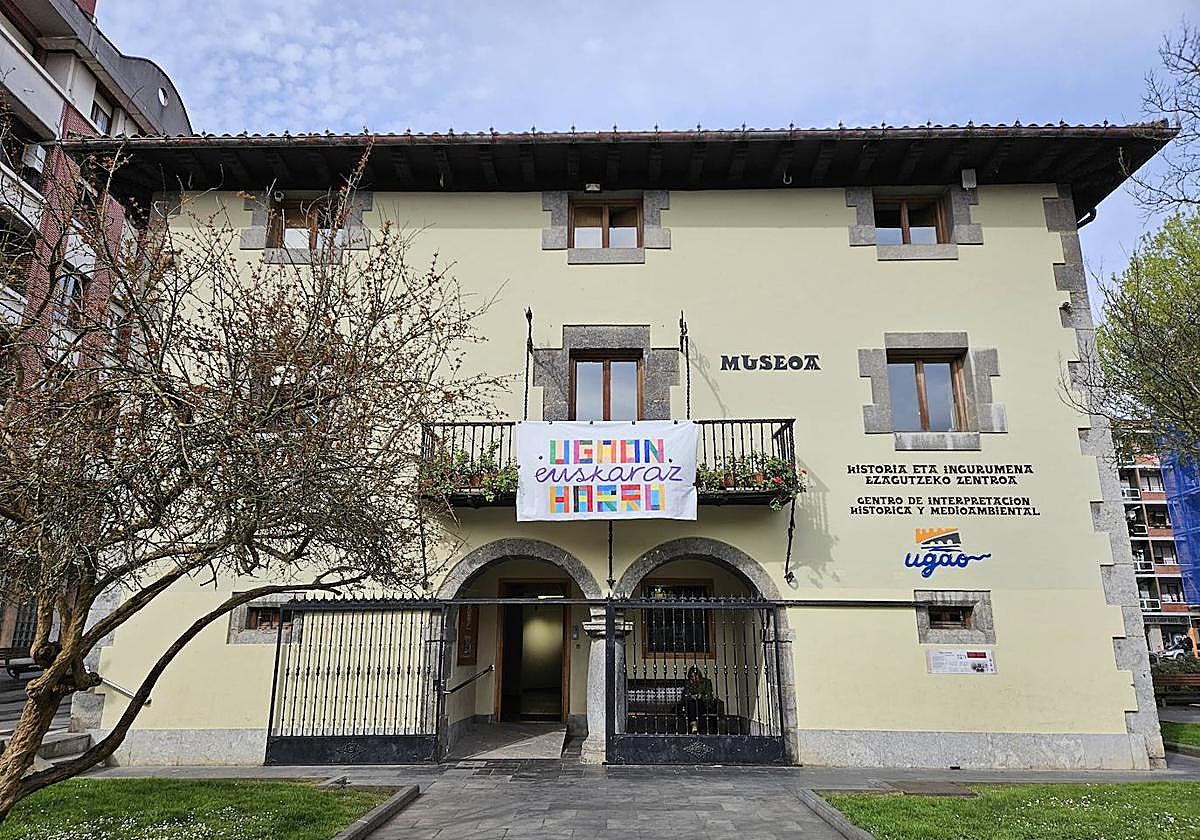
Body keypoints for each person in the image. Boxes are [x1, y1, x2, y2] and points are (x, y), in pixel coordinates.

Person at [677, 666, 715, 734]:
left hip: (703, 704)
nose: (694, 678)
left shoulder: (706, 682)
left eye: (695, 676)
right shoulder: (688, 683)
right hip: (691, 704)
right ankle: (694, 725)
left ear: (699, 675)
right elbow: (683, 697)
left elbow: (709, 697)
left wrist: (701, 696)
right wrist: (691, 696)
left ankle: (694, 725)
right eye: (692, 676)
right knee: (692, 704)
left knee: (696, 704)